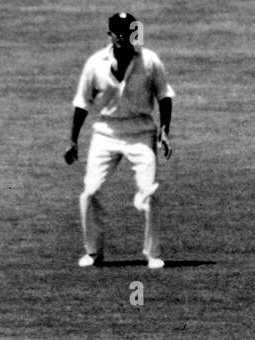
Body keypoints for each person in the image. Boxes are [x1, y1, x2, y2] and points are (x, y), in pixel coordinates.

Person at [65, 11, 175, 269]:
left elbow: (164, 96)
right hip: (105, 133)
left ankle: (153, 253)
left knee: (150, 191)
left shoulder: (150, 61)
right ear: (110, 35)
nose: (124, 36)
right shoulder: (95, 63)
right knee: (90, 191)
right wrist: (73, 140)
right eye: (119, 32)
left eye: (130, 30)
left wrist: (166, 131)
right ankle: (93, 252)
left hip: (140, 132)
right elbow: (82, 103)